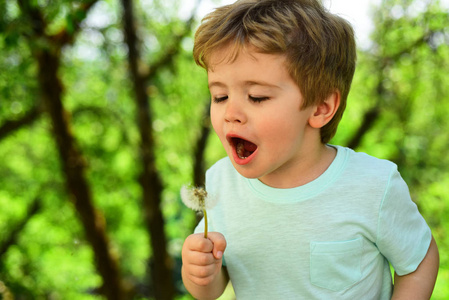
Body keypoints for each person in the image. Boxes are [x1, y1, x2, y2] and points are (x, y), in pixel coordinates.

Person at [181, 0, 440, 299]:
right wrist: (200, 273)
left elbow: (419, 260)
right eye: (220, 96)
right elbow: (211, 290)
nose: (231, 113)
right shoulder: (221, 183)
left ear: (320, 107)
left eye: (257, 96)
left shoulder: (372, 185)